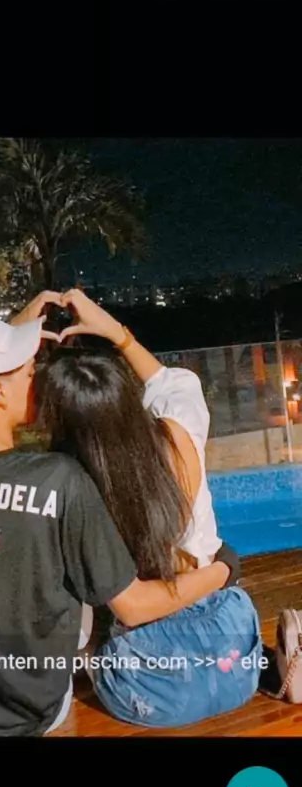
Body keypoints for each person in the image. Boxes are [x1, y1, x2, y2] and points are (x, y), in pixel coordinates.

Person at [0, 291, 236, 736]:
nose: (35, 379)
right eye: (26, 371)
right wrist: (225, 567)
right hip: (22, 716)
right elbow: (133, 606)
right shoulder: (59, 481)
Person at [37, 288, 262, 728]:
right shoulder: (179, 433)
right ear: (127, 397)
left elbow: (133, 608)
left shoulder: (71, 486)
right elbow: (172, 382)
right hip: (234, 658)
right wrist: (117, 334)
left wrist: (19, 339)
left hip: (149, 684)